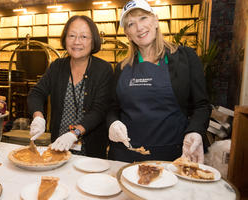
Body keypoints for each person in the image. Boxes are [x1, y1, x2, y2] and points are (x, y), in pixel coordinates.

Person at [107, 0, 211, 163]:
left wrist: (195, 131)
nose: (139, 27)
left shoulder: (186, 57)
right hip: (126, 155)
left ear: (155, 20)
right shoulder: (121, 68)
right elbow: (112, 109)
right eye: (130, 24)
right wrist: (112, 123)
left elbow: (202, 106)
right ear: (127, 33)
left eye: (143, 18)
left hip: (174, 156)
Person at [27, 15, 113, 159]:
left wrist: (75, 134)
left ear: (93, 41)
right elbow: (36, 93)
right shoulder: (57, 66)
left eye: (84, 37)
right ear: (65, 39)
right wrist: (38, 116)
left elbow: (100, 110)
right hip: (58, 147)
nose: (77, 41)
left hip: (91, 152)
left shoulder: (103, 69)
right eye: (72, 35)